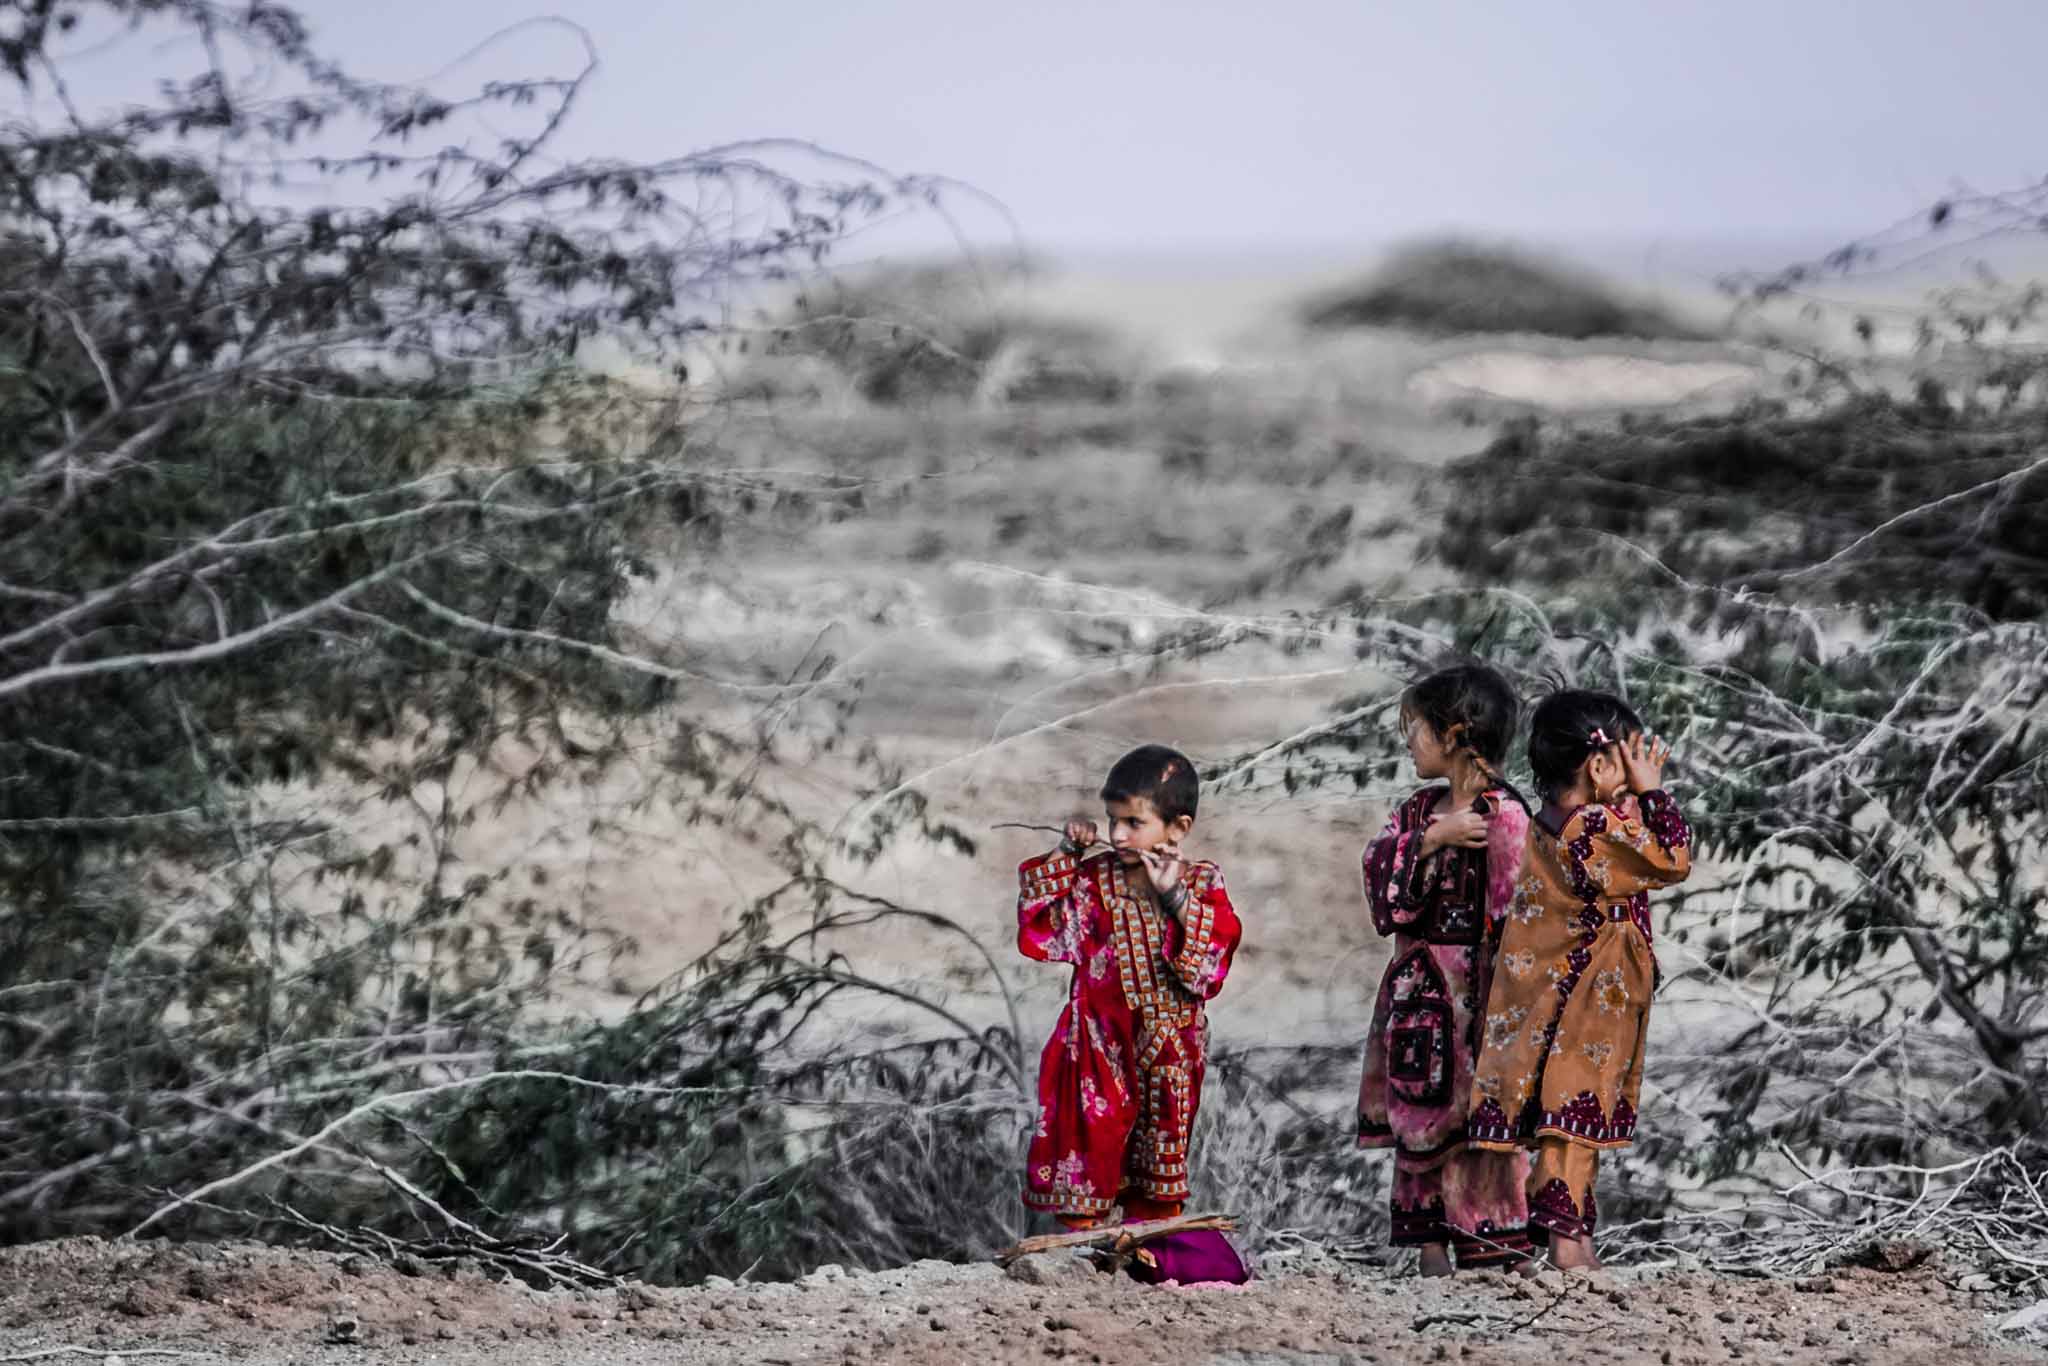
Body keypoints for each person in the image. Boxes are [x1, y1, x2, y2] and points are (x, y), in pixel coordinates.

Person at [1466, 690, 1692, 1272]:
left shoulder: (1556, 821)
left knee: (1569, 1116)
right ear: (1597, 766)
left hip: (1570, 993)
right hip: (1589, 996)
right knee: (1574, 1116)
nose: (1636, 773)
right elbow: (1672, 858)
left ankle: (1568, 1239)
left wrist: (1631, 795)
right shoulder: (1592, 827)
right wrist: (1653, 792)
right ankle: (1568, 1246)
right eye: (1627, 760)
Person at [1016, 744, 1242, 1228]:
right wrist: (1067, 853)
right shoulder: (1093, 882)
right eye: (1112, 820)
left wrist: (1174, 897)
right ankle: (1081, 1254)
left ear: (1178, 828)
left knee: (1158, 1169)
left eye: (1134, 823)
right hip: (1098, 1047)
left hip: (1171, 1052)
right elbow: (1041, 928)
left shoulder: (1200, 883)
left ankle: (1149, 1251)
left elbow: (1210, 968)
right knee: (1088, 1152)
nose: (1117, 835)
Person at [1357, 663, 1535, 1275]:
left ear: (1455, 734)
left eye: (1416, 729)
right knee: (1419, 1117)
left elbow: (1518, 922)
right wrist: (1432, 840)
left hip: (1478, 1006)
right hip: (1417, 1002)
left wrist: (1506, 1016)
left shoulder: (1506, 817)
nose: (1408, 742)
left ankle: (1498, 1246)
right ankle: (1431, 1253)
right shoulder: (1416, 814)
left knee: (1481, 1121)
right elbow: (1380, 880)